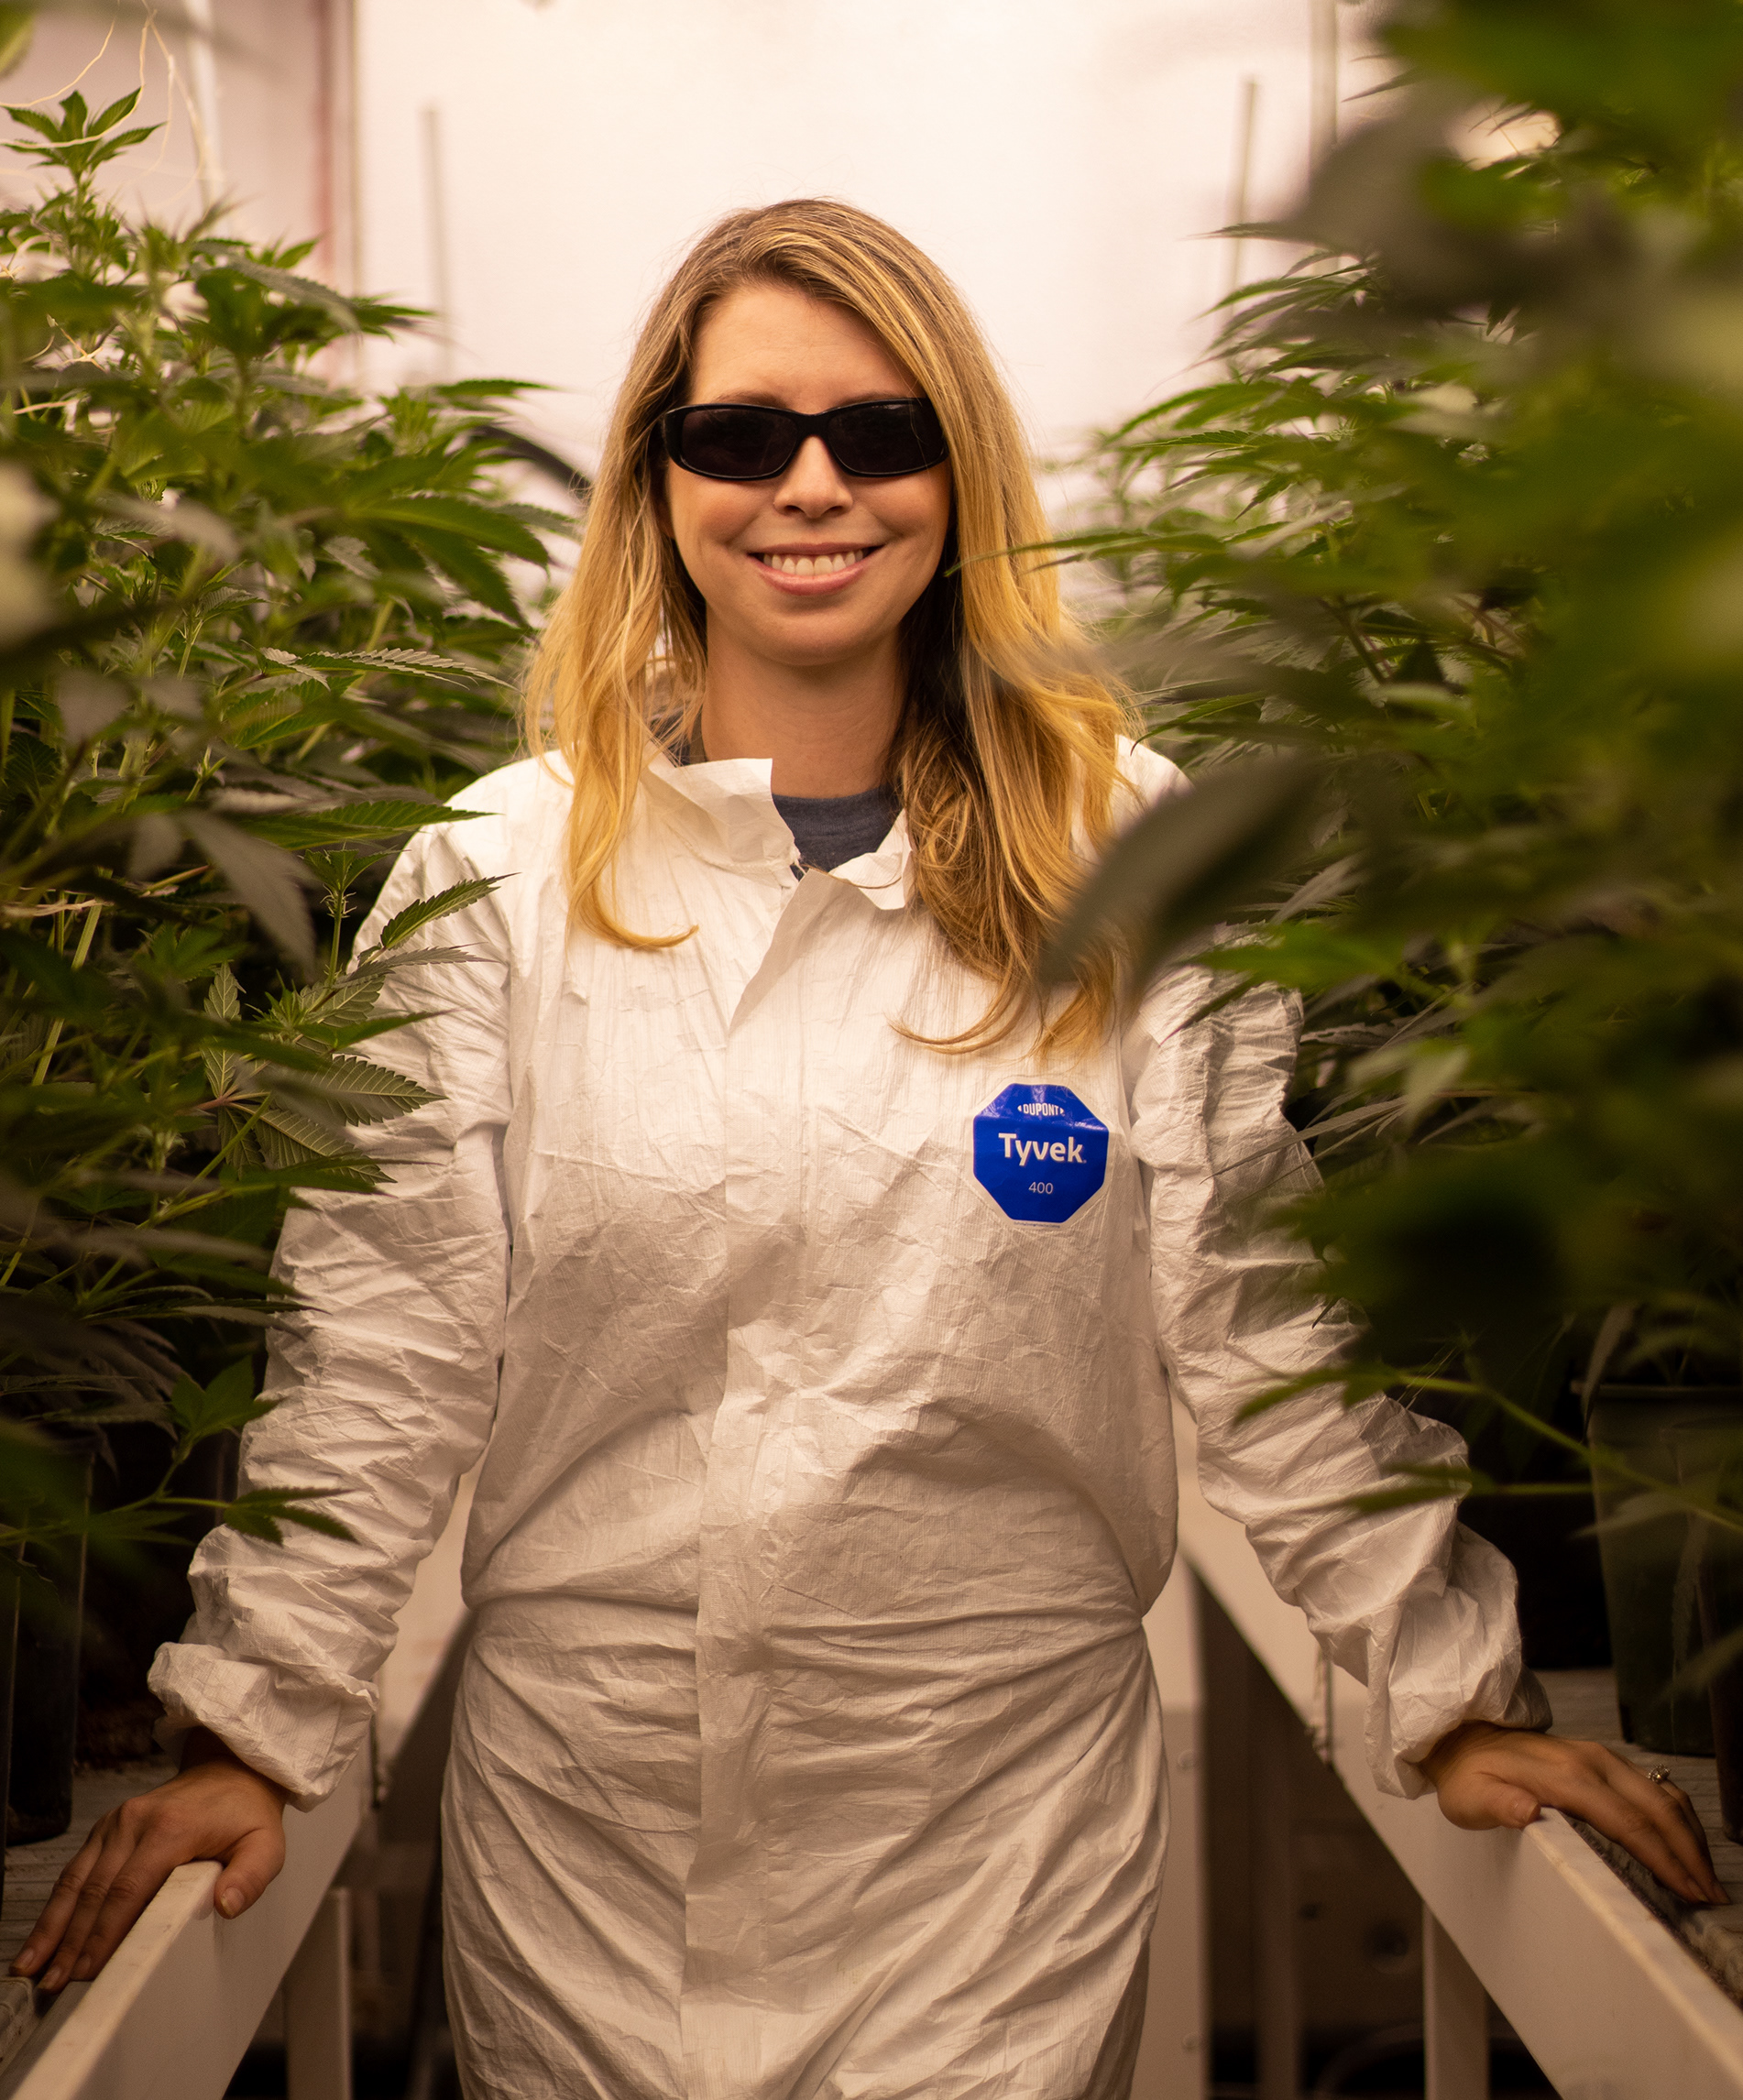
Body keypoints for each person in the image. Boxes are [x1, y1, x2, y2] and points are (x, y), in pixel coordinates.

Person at [14, 200, 1722, 2100]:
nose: (808, 486)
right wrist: (253, 1730)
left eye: (877, 431)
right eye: (741, 435)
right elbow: (386, 1349)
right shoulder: (501, 875)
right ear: (658, 481)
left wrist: (1450, 1704)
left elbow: (1260, 1312)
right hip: (593, 1806)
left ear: (957, 470)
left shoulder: (1129, 861)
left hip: (988, 1807)